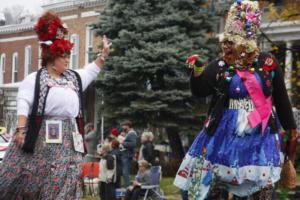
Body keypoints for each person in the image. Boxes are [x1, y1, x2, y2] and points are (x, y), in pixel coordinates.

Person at [174, 1, 298, 200]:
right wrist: (196, 71)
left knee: (260, 187)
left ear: (245, 44)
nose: (224, 45)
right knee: (214, 184)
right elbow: (200, 90)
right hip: (224, 135)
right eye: (224, 41)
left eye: (230, 42)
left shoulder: (268, 64)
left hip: (260, 136)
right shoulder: (220, 65)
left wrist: (291, 132)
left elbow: (281, 100)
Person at [0, 11, 111, 199]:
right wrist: (20, 129)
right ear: (52, 57)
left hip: (69, 138)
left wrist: (103, 55)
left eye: (68, 55)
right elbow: (23, 102)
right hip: (42, 136)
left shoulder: (73, 78)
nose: (68, 59)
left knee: (66, 175)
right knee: (38, 174)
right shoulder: (35, 79)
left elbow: (90, 71)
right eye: (64, 56)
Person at [120, 120, 138, 187]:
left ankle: (127, 187)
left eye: (123, 126)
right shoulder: (129, 133)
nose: (122, 127)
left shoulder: (132, 133)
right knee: (125, 172)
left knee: (125, 172)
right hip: (126, 154)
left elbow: (133, 144)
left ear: (127, 126)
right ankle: (127, 186)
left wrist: (122, 142)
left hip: (127, 155)